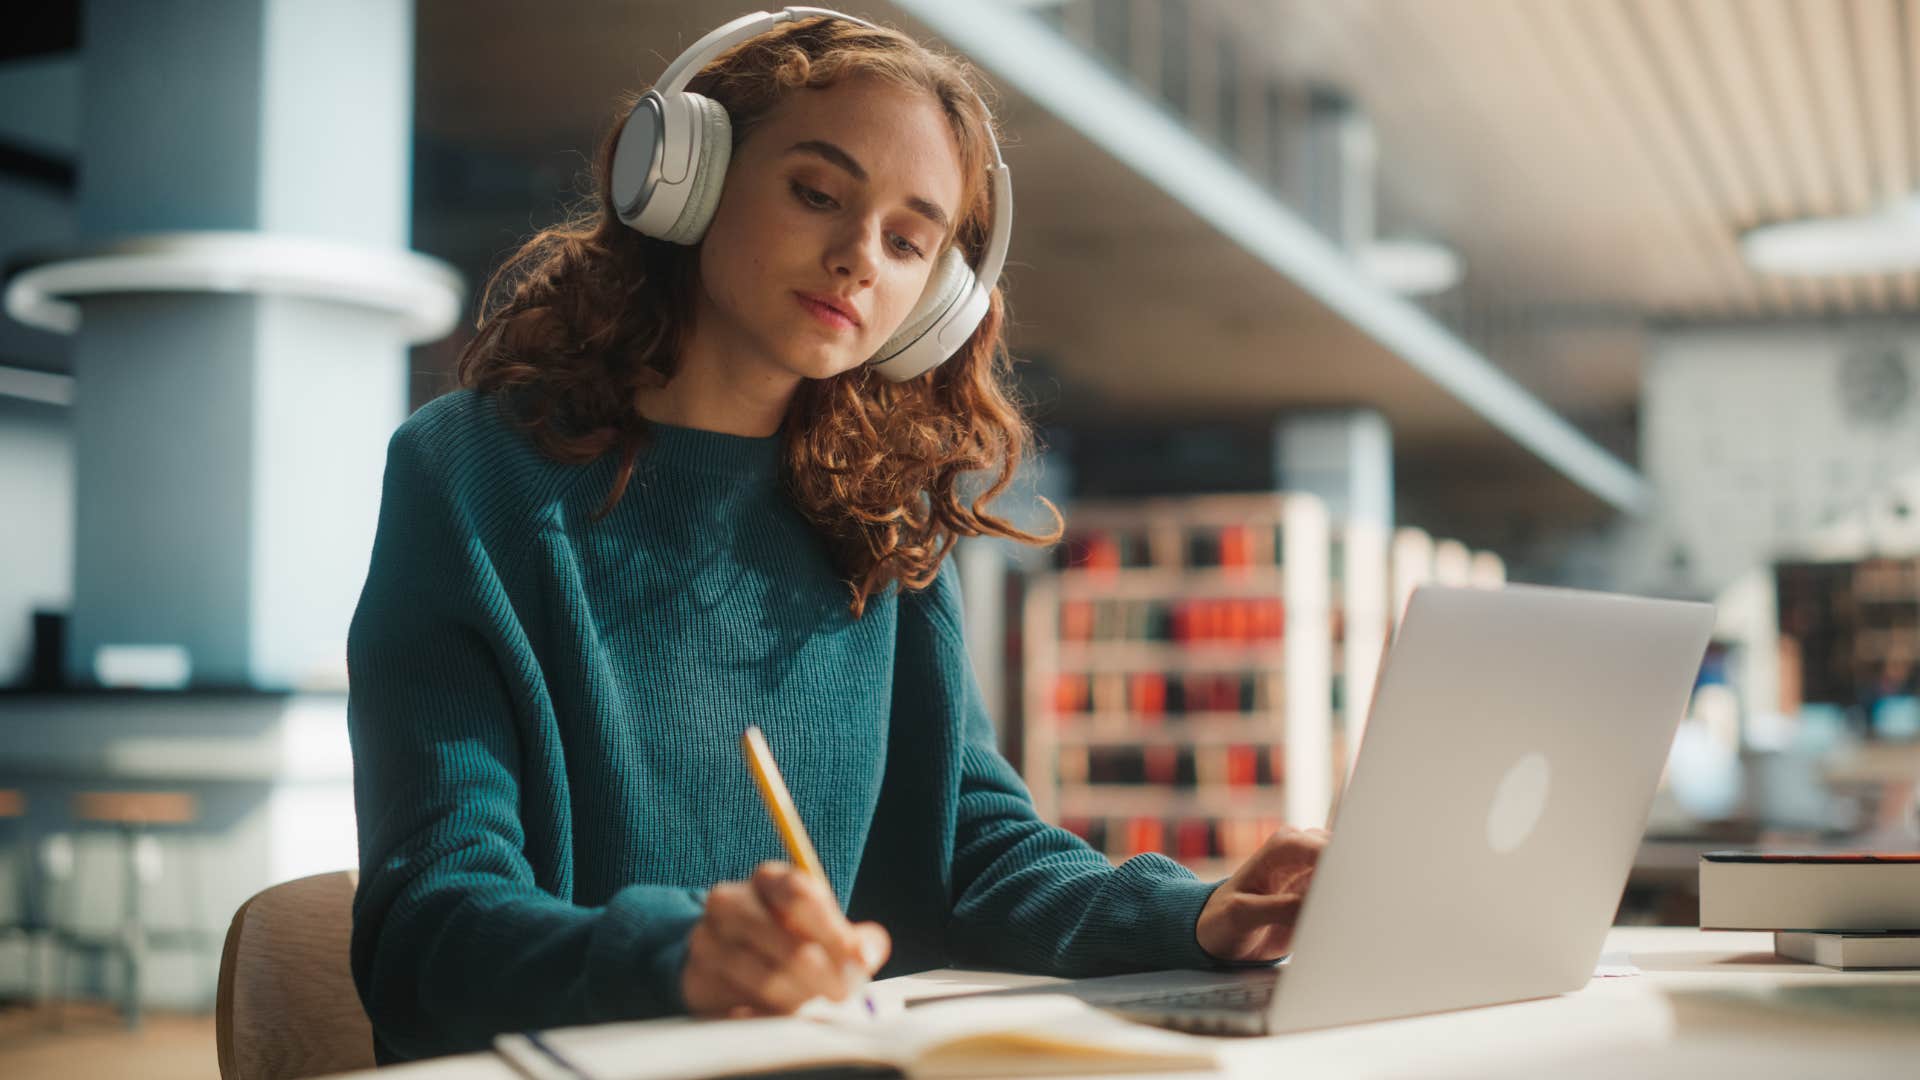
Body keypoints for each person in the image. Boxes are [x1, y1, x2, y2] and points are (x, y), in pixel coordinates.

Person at [346, 9, 1327, 1064]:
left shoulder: (883, 518)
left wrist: (1195, 915)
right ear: (689, 176)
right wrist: (678, 960)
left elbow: (979, 853)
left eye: (909, 240)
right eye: (817, 193)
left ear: (934, 301)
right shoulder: (472, 476)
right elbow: (430, 922)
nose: (860, 259)